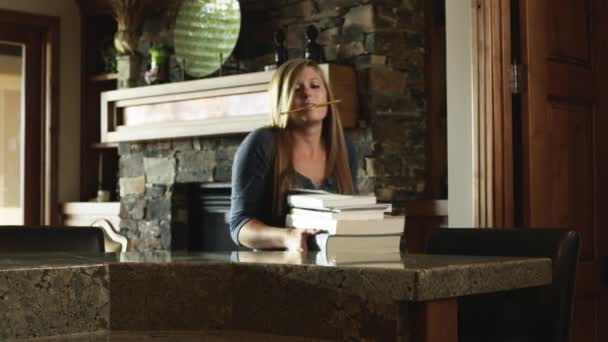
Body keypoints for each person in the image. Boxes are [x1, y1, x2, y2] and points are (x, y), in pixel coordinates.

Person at [229, 58, 357, 251]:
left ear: (328, 97)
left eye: (315, 86)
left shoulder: (345, 148)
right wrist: (287, 237)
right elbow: (239, 226)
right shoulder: (261, 143)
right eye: (296, 89)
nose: (307, 94)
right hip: (275, 269)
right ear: (282, 101)